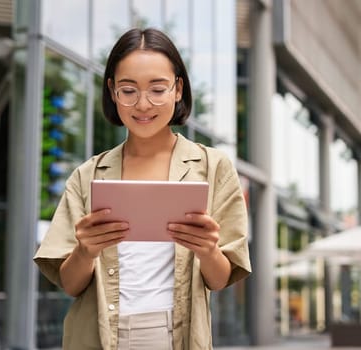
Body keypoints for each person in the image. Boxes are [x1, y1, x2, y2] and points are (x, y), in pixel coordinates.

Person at [33, 28, 252, 350]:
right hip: (96, 335)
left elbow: (219, 280)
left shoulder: (213, 168)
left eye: (158, 89)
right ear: (112, 92)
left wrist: (207, 249)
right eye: (128, 90)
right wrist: (85, 250)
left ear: (178, 89)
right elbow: (70, 283)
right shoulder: (88, 175)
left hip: (172, 335)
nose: (143, 104)